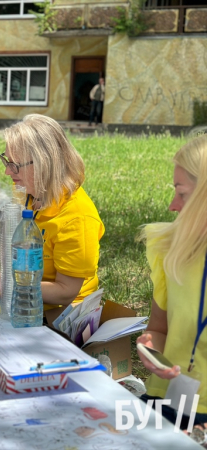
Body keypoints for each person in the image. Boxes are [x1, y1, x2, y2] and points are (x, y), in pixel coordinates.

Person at [0, 114, 104, 310]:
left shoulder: (77, 216)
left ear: (43, 163)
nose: (7, 172)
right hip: (26, 301)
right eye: (7, 161)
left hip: (63, 318)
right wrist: (1, 279)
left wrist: (5, 284)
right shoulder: (29, 194)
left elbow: (65, 293)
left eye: (15, 165)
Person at [136, 134, 207, 431]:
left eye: (182, 193)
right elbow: (158, 328)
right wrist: (150, 348)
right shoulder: (170, 249)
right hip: (166, 399)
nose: (171, 205)